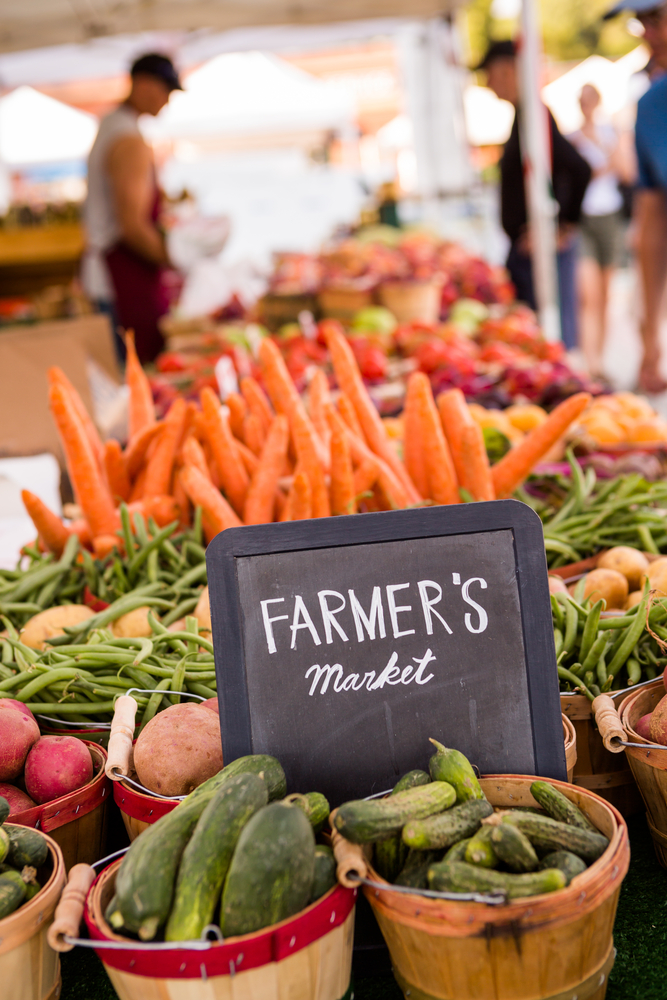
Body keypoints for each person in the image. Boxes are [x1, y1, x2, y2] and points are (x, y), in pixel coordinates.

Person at [476, 40, 592, 351]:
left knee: (552, 339)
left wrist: (564, 224)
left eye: (490, 74)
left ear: (508, 70)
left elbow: (580, 169)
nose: (488, 84)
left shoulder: (534, 114)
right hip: (528, 248)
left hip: (540, 250)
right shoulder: (524, 114)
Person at [82, 53, 182, 364]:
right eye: (166, 90)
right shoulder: (128, 139)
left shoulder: (112, 126)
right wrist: (177, 259)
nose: (167, 101)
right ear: (143, 85)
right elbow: (132, 226)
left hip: (113, 276)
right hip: (122, 279)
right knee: (138, 376)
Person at [604, 1, 667, 392]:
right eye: (640, 22)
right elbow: (652, 222)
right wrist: (650, 342)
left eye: (657, 18)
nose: (647, 32)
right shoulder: (652, 106)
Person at [569, 84, 634, 377]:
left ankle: (601, 360)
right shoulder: (572, 139)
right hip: (583, 218)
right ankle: (590, 360)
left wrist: (605, 143)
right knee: (587, 295)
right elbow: (575, 178)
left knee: (605, 296)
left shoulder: (610, 135)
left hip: (610, 216)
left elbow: (626, 171)